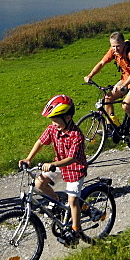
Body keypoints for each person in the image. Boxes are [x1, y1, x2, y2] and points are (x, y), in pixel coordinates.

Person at [18, 94, 88, 245]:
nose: (53, 124)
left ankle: (76, 230)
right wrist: (28, 159)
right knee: (39, 183)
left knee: (73, 201)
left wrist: (53, 164)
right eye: (52, 121)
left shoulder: (76, 135)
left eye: (56, 120)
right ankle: (56, 202)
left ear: (68, 118)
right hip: (59, 166)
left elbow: (71, 159)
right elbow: (40, 142)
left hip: (75, 169)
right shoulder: (53, 128)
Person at [83, 31, 130, 135]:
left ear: (123, 43)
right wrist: (90, 75)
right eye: (113, 46)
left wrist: (123, 85)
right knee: (107, 99)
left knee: (125, 105)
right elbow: (102, 63)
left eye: (118, 46)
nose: (115, 49)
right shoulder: (113, 51)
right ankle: (110, 126)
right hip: (125, 80)